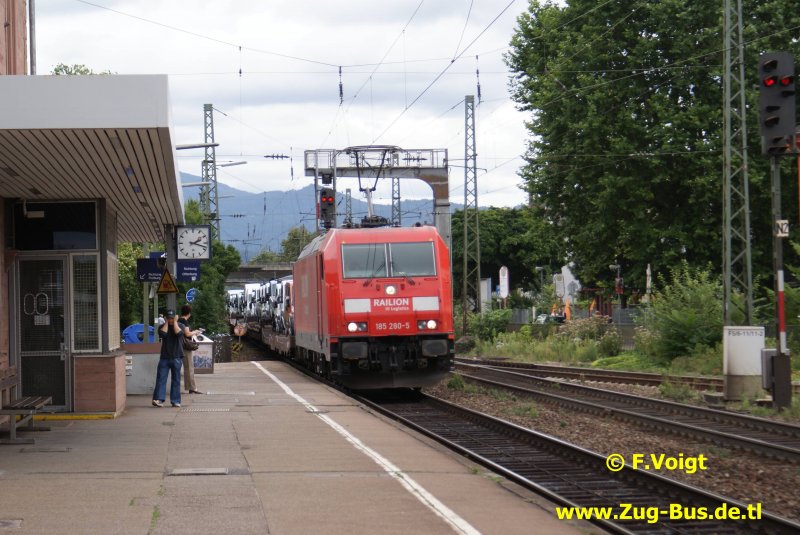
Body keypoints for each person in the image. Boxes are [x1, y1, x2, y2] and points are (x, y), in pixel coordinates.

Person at [152, 309, 183, 408]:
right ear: (166, 318)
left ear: (175, 317)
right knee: (161, 379)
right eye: (169, 318)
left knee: (176, 380)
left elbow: (178, 334)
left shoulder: (180, 326)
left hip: (177, 356)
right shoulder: (162, 327)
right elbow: (163, 334)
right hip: (164, 357)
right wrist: (166, 322)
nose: (170, 319)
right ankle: (158, 399)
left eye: (172, 318)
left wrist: (175, 322)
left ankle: (175, 401)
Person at [178, 304, 204, 394]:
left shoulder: (178, 320)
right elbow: (187, 334)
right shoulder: (184, 321)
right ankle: (191, 388)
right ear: (189, 313)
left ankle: (190, 387)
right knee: (189, 367)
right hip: (185, 346)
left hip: (179, 345)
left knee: (182, 367)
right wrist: (195, 332)